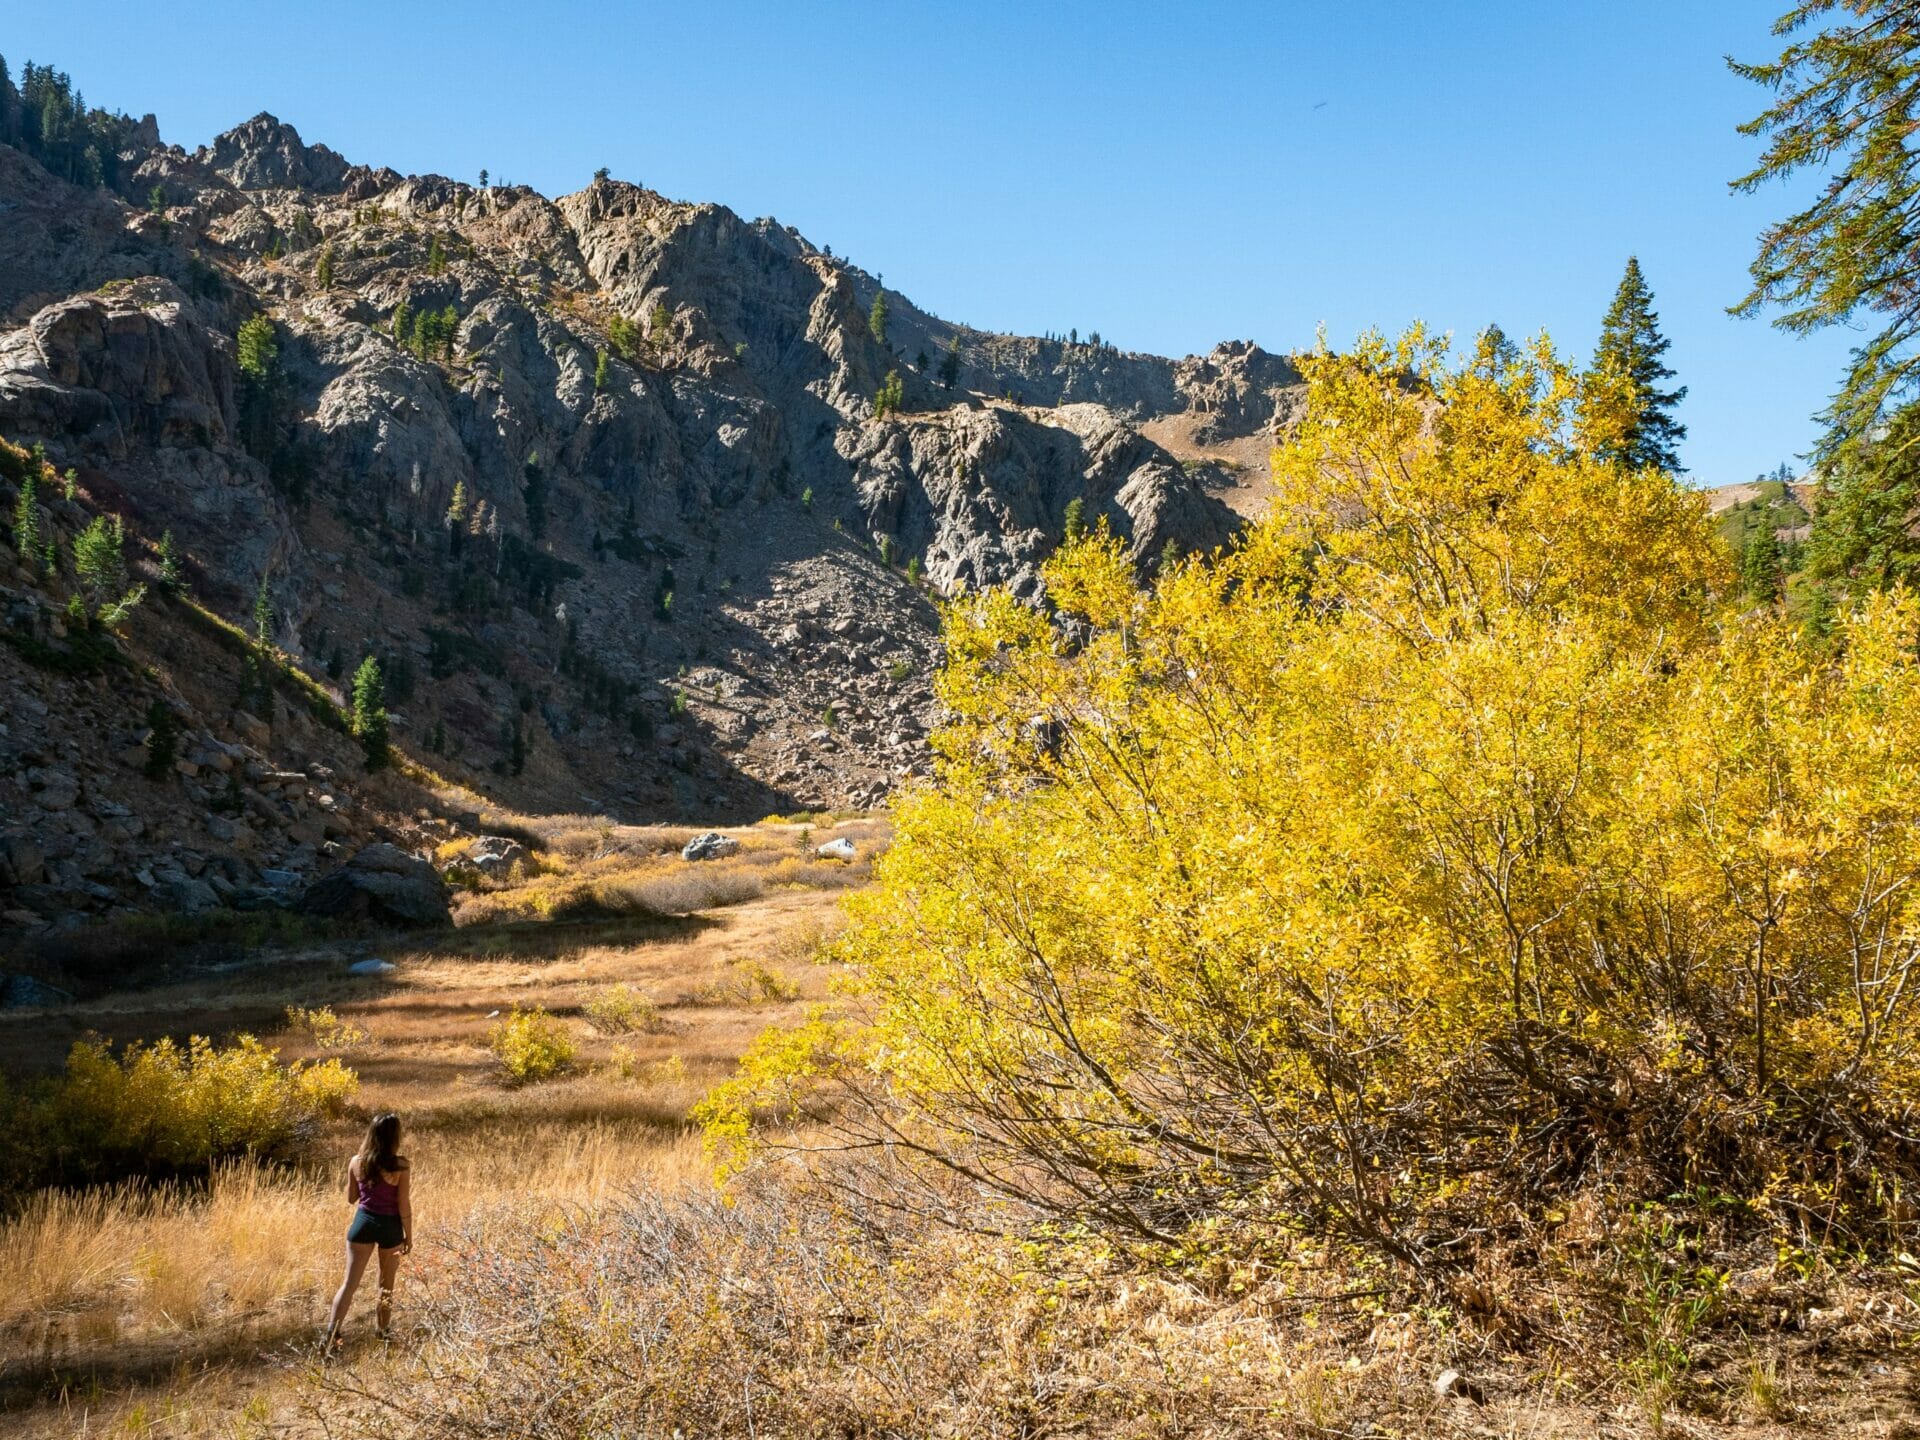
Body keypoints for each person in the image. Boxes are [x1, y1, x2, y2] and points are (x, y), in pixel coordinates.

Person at [324, 1112, 412, 1351]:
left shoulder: (356, 1161)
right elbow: (403, 1204)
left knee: (349, 1284)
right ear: (395, 1136)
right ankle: (383, 1332)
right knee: (386, 1285)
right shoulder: (401, 1165)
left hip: (362, 1224)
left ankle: (331, 1335)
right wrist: (409, 1236)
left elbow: (351, 1198)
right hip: (390, 1227)